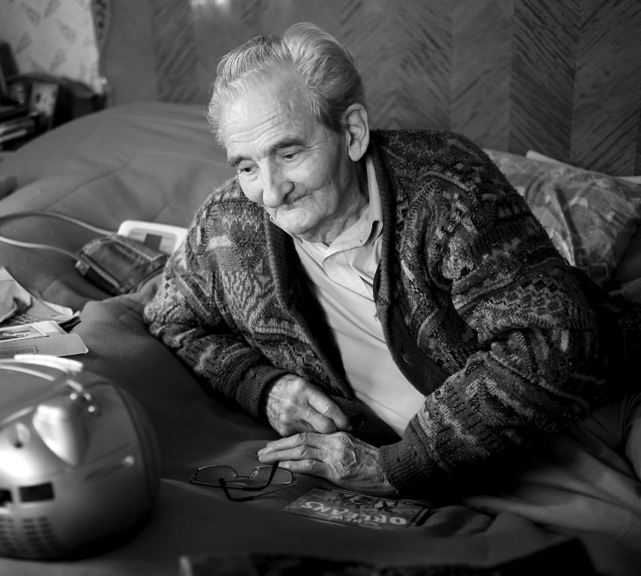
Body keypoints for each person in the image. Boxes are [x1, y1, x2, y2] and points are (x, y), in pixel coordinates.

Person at [143, 22, 640, 543]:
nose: (270, 192)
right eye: (247, 166)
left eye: (289, 154)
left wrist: (393, 468)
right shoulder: (229, 227)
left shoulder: (445, 187)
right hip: (466, 464)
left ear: (352, 133)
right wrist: (264, 388)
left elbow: (552, 344)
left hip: (594, 402)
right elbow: (170, 317)